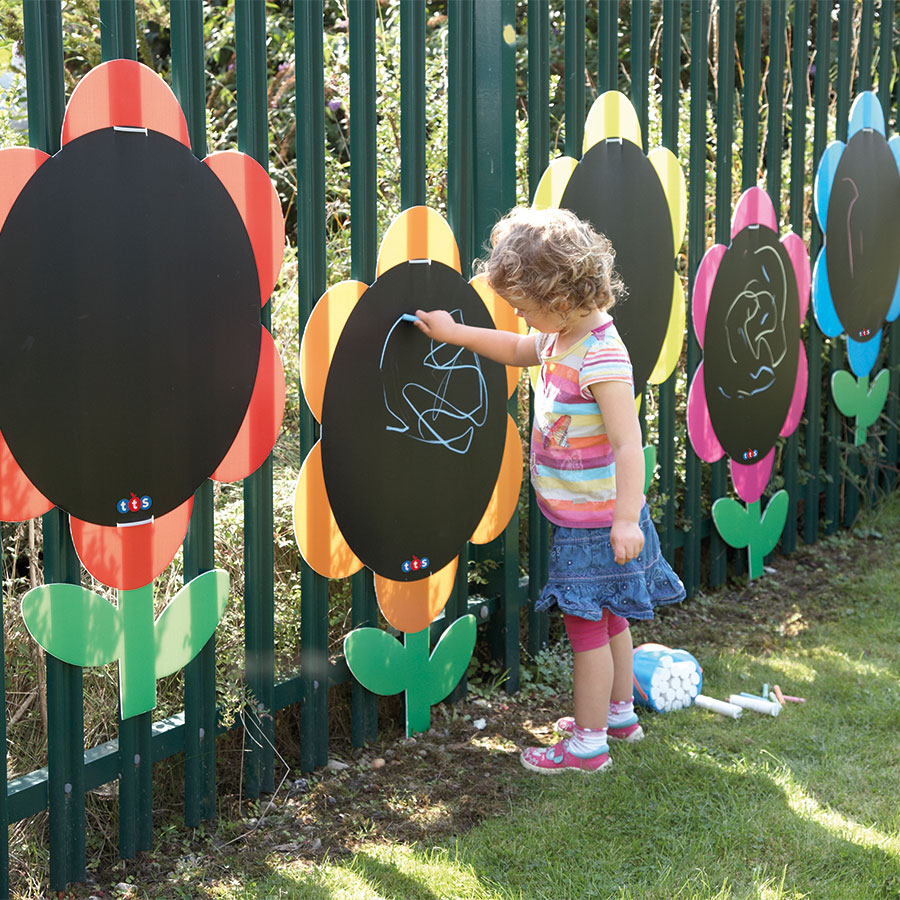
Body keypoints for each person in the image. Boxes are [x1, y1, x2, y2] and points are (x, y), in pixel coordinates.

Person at [414, 207, 685, 774]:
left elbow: (629, 444)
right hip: (588, 518)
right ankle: (617, 716)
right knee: (611, 619)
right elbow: (515, 350)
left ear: (560, 297)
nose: (520, 317)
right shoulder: (558, 337)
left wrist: (627, 519)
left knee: (587, 630)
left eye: (525, 306)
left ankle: (587, 745)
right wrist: (454, 333)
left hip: (599, 524)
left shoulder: (601, 355)